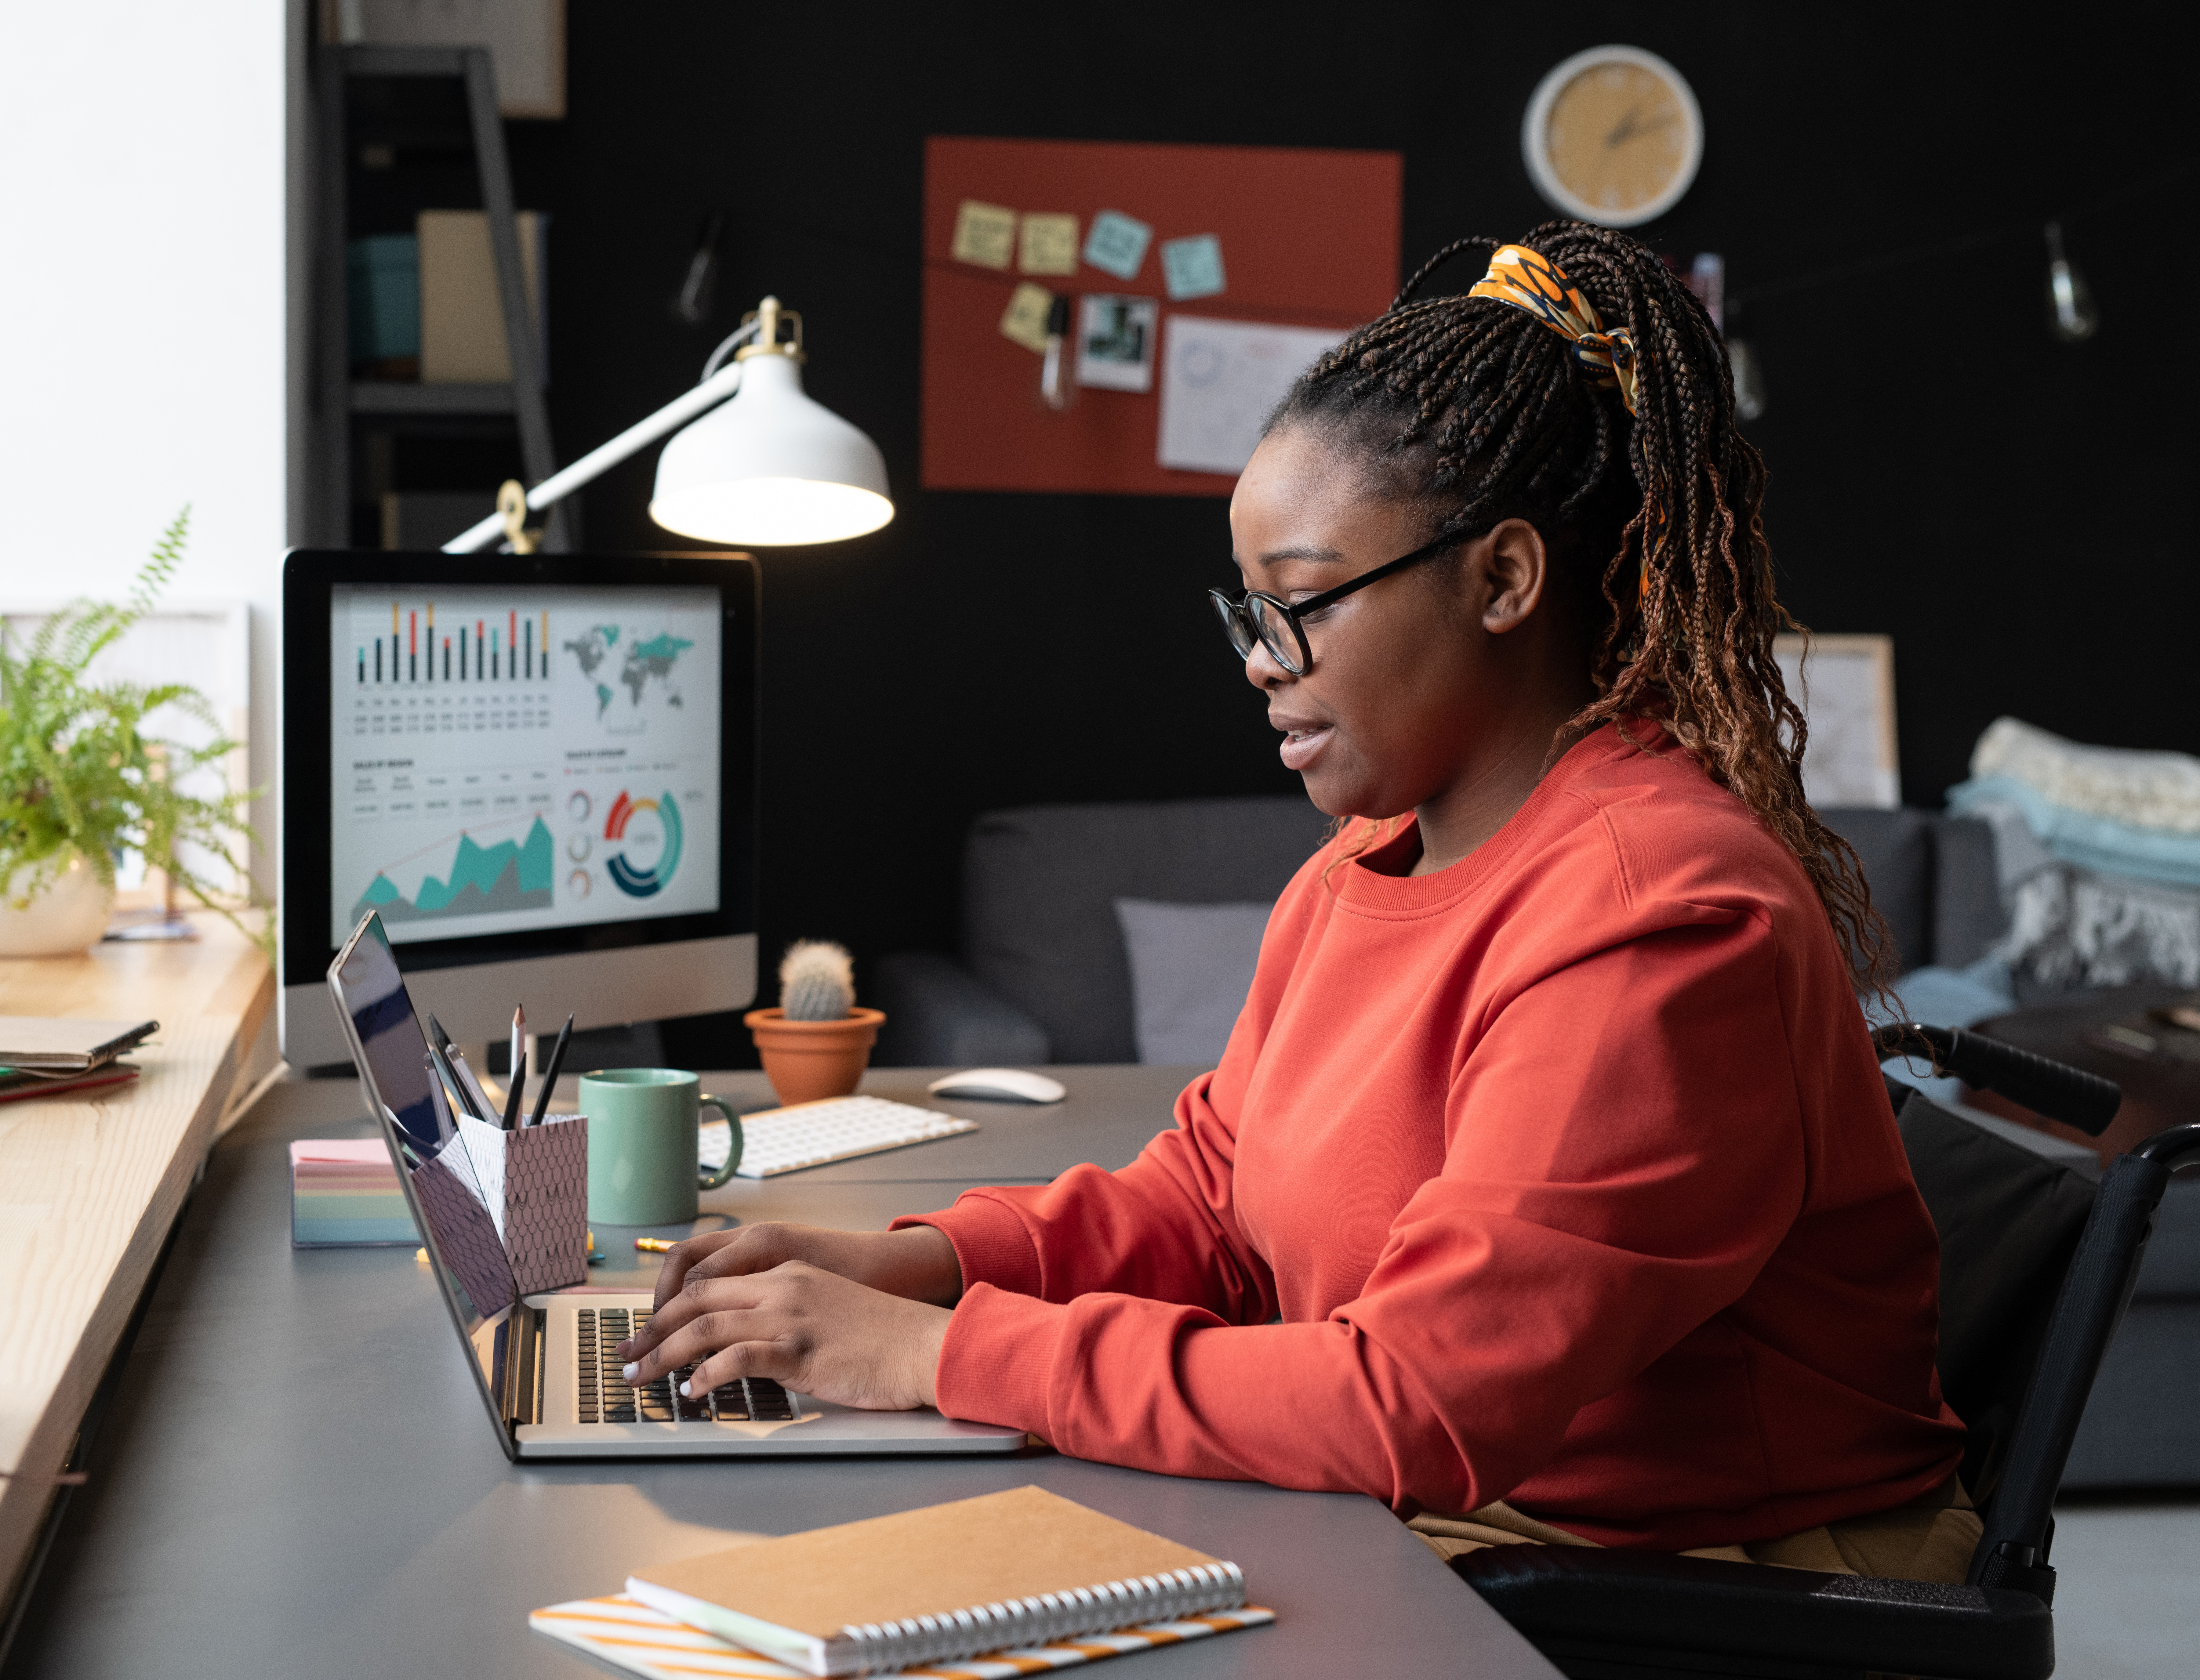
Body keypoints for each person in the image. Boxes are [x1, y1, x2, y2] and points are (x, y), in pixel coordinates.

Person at [616, 220, 1973, 1576]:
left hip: (1684, 1586)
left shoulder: (1660, 915)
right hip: (1452, 1520)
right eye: (1247, 612)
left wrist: (933, 1353)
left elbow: (1417, 1399)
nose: (1263, 664)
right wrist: (914, 1266)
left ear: (1504, 579)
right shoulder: (1364, 859)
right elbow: (1215, 1199)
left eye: (1303, 604)